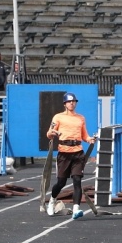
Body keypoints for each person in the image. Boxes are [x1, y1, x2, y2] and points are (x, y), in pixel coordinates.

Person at [45, 92, 97, 220]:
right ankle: (52, 200)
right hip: (64, 153)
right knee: (61, 182)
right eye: (69, 101)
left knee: (77, 180)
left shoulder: (81, 118)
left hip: (78, 152)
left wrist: (90, 139)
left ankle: (76, 209)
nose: (72, 103)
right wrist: (53, 132)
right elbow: (49, 134)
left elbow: (84, 135)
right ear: (65, 104)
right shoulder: (58, 117)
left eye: (74, 101)